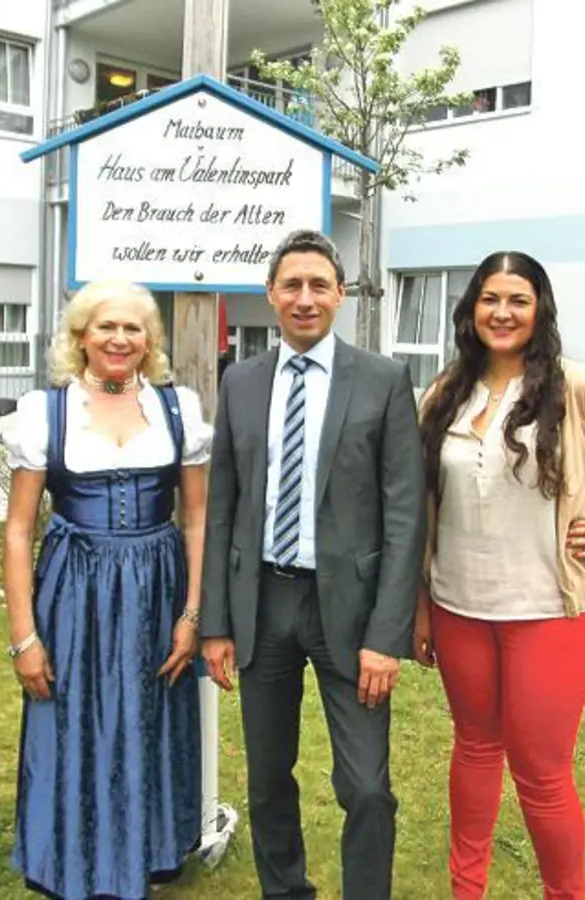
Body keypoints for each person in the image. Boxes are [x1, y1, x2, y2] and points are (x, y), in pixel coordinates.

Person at [410, 250, 585, 899]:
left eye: (517, 299)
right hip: (459, 609)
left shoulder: (580, 387)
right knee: (474, 750)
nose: (502, 312)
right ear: (471, 308)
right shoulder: (444, 392)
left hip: (548, 616)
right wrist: (422, 604)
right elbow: (426, 506)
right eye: (490, 299)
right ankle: (466, 889)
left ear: (539, 310)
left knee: (541, 776)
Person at [200, 228, 426, 900]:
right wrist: (216, 620)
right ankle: (285, 890)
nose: (305, 298)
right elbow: (221, 508)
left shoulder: (383, 381)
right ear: (271, 294)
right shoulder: (240, 382)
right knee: (268, 776)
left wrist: (386, 638)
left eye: (319, 285)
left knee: (366, 786)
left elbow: (405, 514)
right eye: (292, 285)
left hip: (350, 617)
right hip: (263, 605)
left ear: (341, 295)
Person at [1, 279, 208, 899]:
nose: (119, 339)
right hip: (75, 590)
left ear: (149, 341)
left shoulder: (178, 408)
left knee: (148, 715)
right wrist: (23, 637)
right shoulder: (49, 411)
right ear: (81, 337)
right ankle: (72, 852)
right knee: (74, 714)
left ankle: (142, 852)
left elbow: (196, 517)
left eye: (133, 328)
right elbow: (17, 530)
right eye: (105, 327)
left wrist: (193, 612)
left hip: (157, 585)